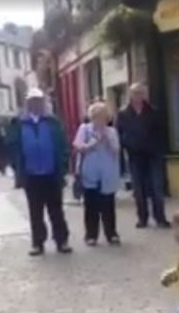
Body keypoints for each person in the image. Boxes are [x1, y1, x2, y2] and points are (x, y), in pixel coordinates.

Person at [8, 88, 72, 256]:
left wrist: (64, 166)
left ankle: (61, 240)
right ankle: (38, 243)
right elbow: (13, 147)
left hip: (52, 173)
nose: (36, 105)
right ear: (28, 104)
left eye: (39, 101)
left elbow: (63, 145)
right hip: (31, 175)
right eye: (32, 102)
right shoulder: (20, 124)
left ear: (43, 103)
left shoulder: (53, 122)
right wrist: (17, 169)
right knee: (35, 212)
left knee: (56, 210)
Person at [116, 82, 170, 229]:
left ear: (145, 95)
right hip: (135, 157)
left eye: (140, 93)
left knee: (157, 188)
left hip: (153, 155)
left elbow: (162, 132)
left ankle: (160, 218)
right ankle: (142, 218)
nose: (138, 96)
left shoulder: (153, 111)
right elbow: (118, 134)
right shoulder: (123, 114)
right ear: (130, 95)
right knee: (138, 190)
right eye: (135, 93)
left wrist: (159, 149)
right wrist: (126, 145)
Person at [73, 101, 121, 246]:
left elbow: (116, 151)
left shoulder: (112, 131)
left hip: (108, 173)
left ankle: (111, 233)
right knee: (91, 206)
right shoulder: (84, 129)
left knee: (108, 205)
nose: (100, 120)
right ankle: (91, 235)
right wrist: (93, 144)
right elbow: (78, 147)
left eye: (103, 117)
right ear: (92, 117)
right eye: (96, 117)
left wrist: (106, 141)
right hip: (90, 173)